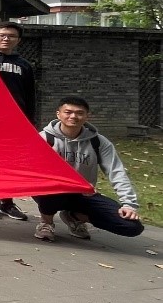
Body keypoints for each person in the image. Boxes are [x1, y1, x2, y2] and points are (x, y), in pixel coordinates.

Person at [32, 96, 144, 242]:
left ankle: (73, 217)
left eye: (79, 113)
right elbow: (31, 170)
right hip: (50, 191)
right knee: (55, 190)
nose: (73, 116)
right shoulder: (43, 139)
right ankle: (46, 223)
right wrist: (71, 184)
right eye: (68, 112)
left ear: (87, 116)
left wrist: (129, 204)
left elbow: (116, 172)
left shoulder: (98, 142)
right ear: (58, 114)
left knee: (132, 227)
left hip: (84, 194)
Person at [0, 21, 37, 221]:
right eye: (2, 35)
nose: (6, 39)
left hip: (15, 121)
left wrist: (30, 123)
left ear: (18, 40)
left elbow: (30, 96)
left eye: (11, 36)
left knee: (11, 162)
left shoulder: (24, 65)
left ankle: (6, 202)